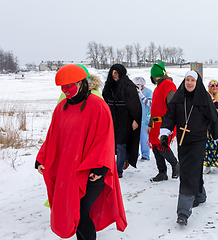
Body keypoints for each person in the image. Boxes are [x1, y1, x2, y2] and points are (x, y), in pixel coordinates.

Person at [35, 64, 127, 239]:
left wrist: (99, 167)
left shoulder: (97, 105)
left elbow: (104, 138)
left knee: (81, 213)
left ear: (81, 83)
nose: (65, 90)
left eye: (68, 85)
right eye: (62, 87)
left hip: (92, 172)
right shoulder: (62, 107)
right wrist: (42, 158)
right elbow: (53, 136)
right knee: (75, 214)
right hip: (69, 170)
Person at [160, 71, 218, 226]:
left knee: (188, 173)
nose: (189, 83)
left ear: (197, 82)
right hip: (183, 141)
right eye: (187, 80)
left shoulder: (204, 99)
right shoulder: (178, 98)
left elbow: (214, 120)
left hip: (198, 141)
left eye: (192, 80)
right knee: (190, 169)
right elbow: (169, 117)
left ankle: (183, 212)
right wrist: (165, 134)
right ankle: (200, 195)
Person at [102, 64, 142, 178]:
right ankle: (122, 160)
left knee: (120, 145)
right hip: (111, 119)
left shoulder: (129, 86)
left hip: (125, 119)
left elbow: (135, 105)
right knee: (111, 145)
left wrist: (136, 119)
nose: (114, 75)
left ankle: (118, 170)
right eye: (112, 72)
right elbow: (104, 103)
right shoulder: (109, 87)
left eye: (116, 72)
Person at [148, 62, 179, 182]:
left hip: (163, 123)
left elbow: (172, 104)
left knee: (162, 146)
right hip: (156, 123)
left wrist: (170, 123)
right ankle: (162, 172)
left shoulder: (167, 84)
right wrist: (150, 124)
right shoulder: (159, 86)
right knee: (156, 148)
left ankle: (175, 164)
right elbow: (154, 108)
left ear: (154, 75)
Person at [203, 79, 218, 174]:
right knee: (208, 145)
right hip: (209, 123)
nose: (214, 88)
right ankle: (208, 165)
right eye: (212, 86)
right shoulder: (206, 96)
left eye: (216, 86)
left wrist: (211, 99)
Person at [132, 77, 153, 161]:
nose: (137, 87)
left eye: (139, 85)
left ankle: (145, 155)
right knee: (134, 138)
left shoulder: (149, 92)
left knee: (144, 138)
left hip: (145, 118)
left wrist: (141, 95)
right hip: (135, 119)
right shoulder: (133, 92)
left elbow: (151, 104)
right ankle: (135, 154)